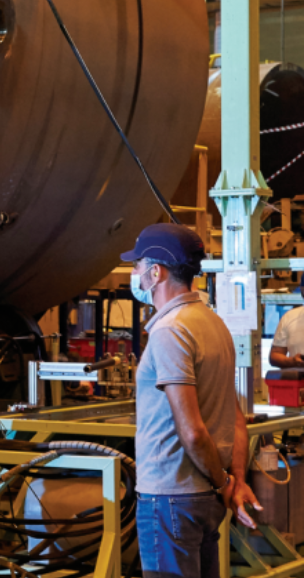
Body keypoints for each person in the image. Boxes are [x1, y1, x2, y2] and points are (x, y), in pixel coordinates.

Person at [124, 223, 261, 578]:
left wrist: (223, 483)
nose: (135, 274)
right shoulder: (213, 323)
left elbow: (194, 433)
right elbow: (236, 419)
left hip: (170, 495)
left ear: (157, 272)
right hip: (203, 499)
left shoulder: (171, 331)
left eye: (138, 266)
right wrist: (236, 480)